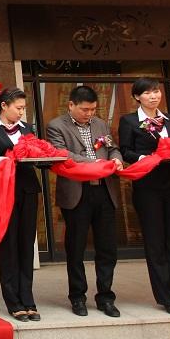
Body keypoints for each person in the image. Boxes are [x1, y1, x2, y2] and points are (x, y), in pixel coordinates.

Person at [118, 78, 170, 317]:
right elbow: (125, 151)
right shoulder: (129, 121)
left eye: (156, 91)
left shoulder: (169, 119)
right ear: (137, 97)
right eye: (147, 93)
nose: (154, 96)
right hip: (148, 185)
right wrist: (147, 159)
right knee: (155, 241)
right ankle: (165, 297)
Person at [46, 85, 124, 318]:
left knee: (107, 248)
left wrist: (116, 159)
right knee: (76, 248)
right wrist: (95, 164)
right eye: (84, 110)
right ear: (71, 105)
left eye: (92, 110)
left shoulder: (101, 124)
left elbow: (112, 148)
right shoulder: (56, 126)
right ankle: (77, 296)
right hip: (77, 193)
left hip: (104, 191)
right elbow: (62, 154)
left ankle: (106, 297)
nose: (89, 114)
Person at [0, 87, 42, 323]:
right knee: (9, 245)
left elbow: (37, 153)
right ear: (4, 106)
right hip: (3, 191)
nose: (22, 112)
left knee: (26, 244)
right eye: (18, 108)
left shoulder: (27, 128)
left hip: (27, 190)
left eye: (24, 108)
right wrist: (0, 160)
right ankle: (13, 301)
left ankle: (28, 299)